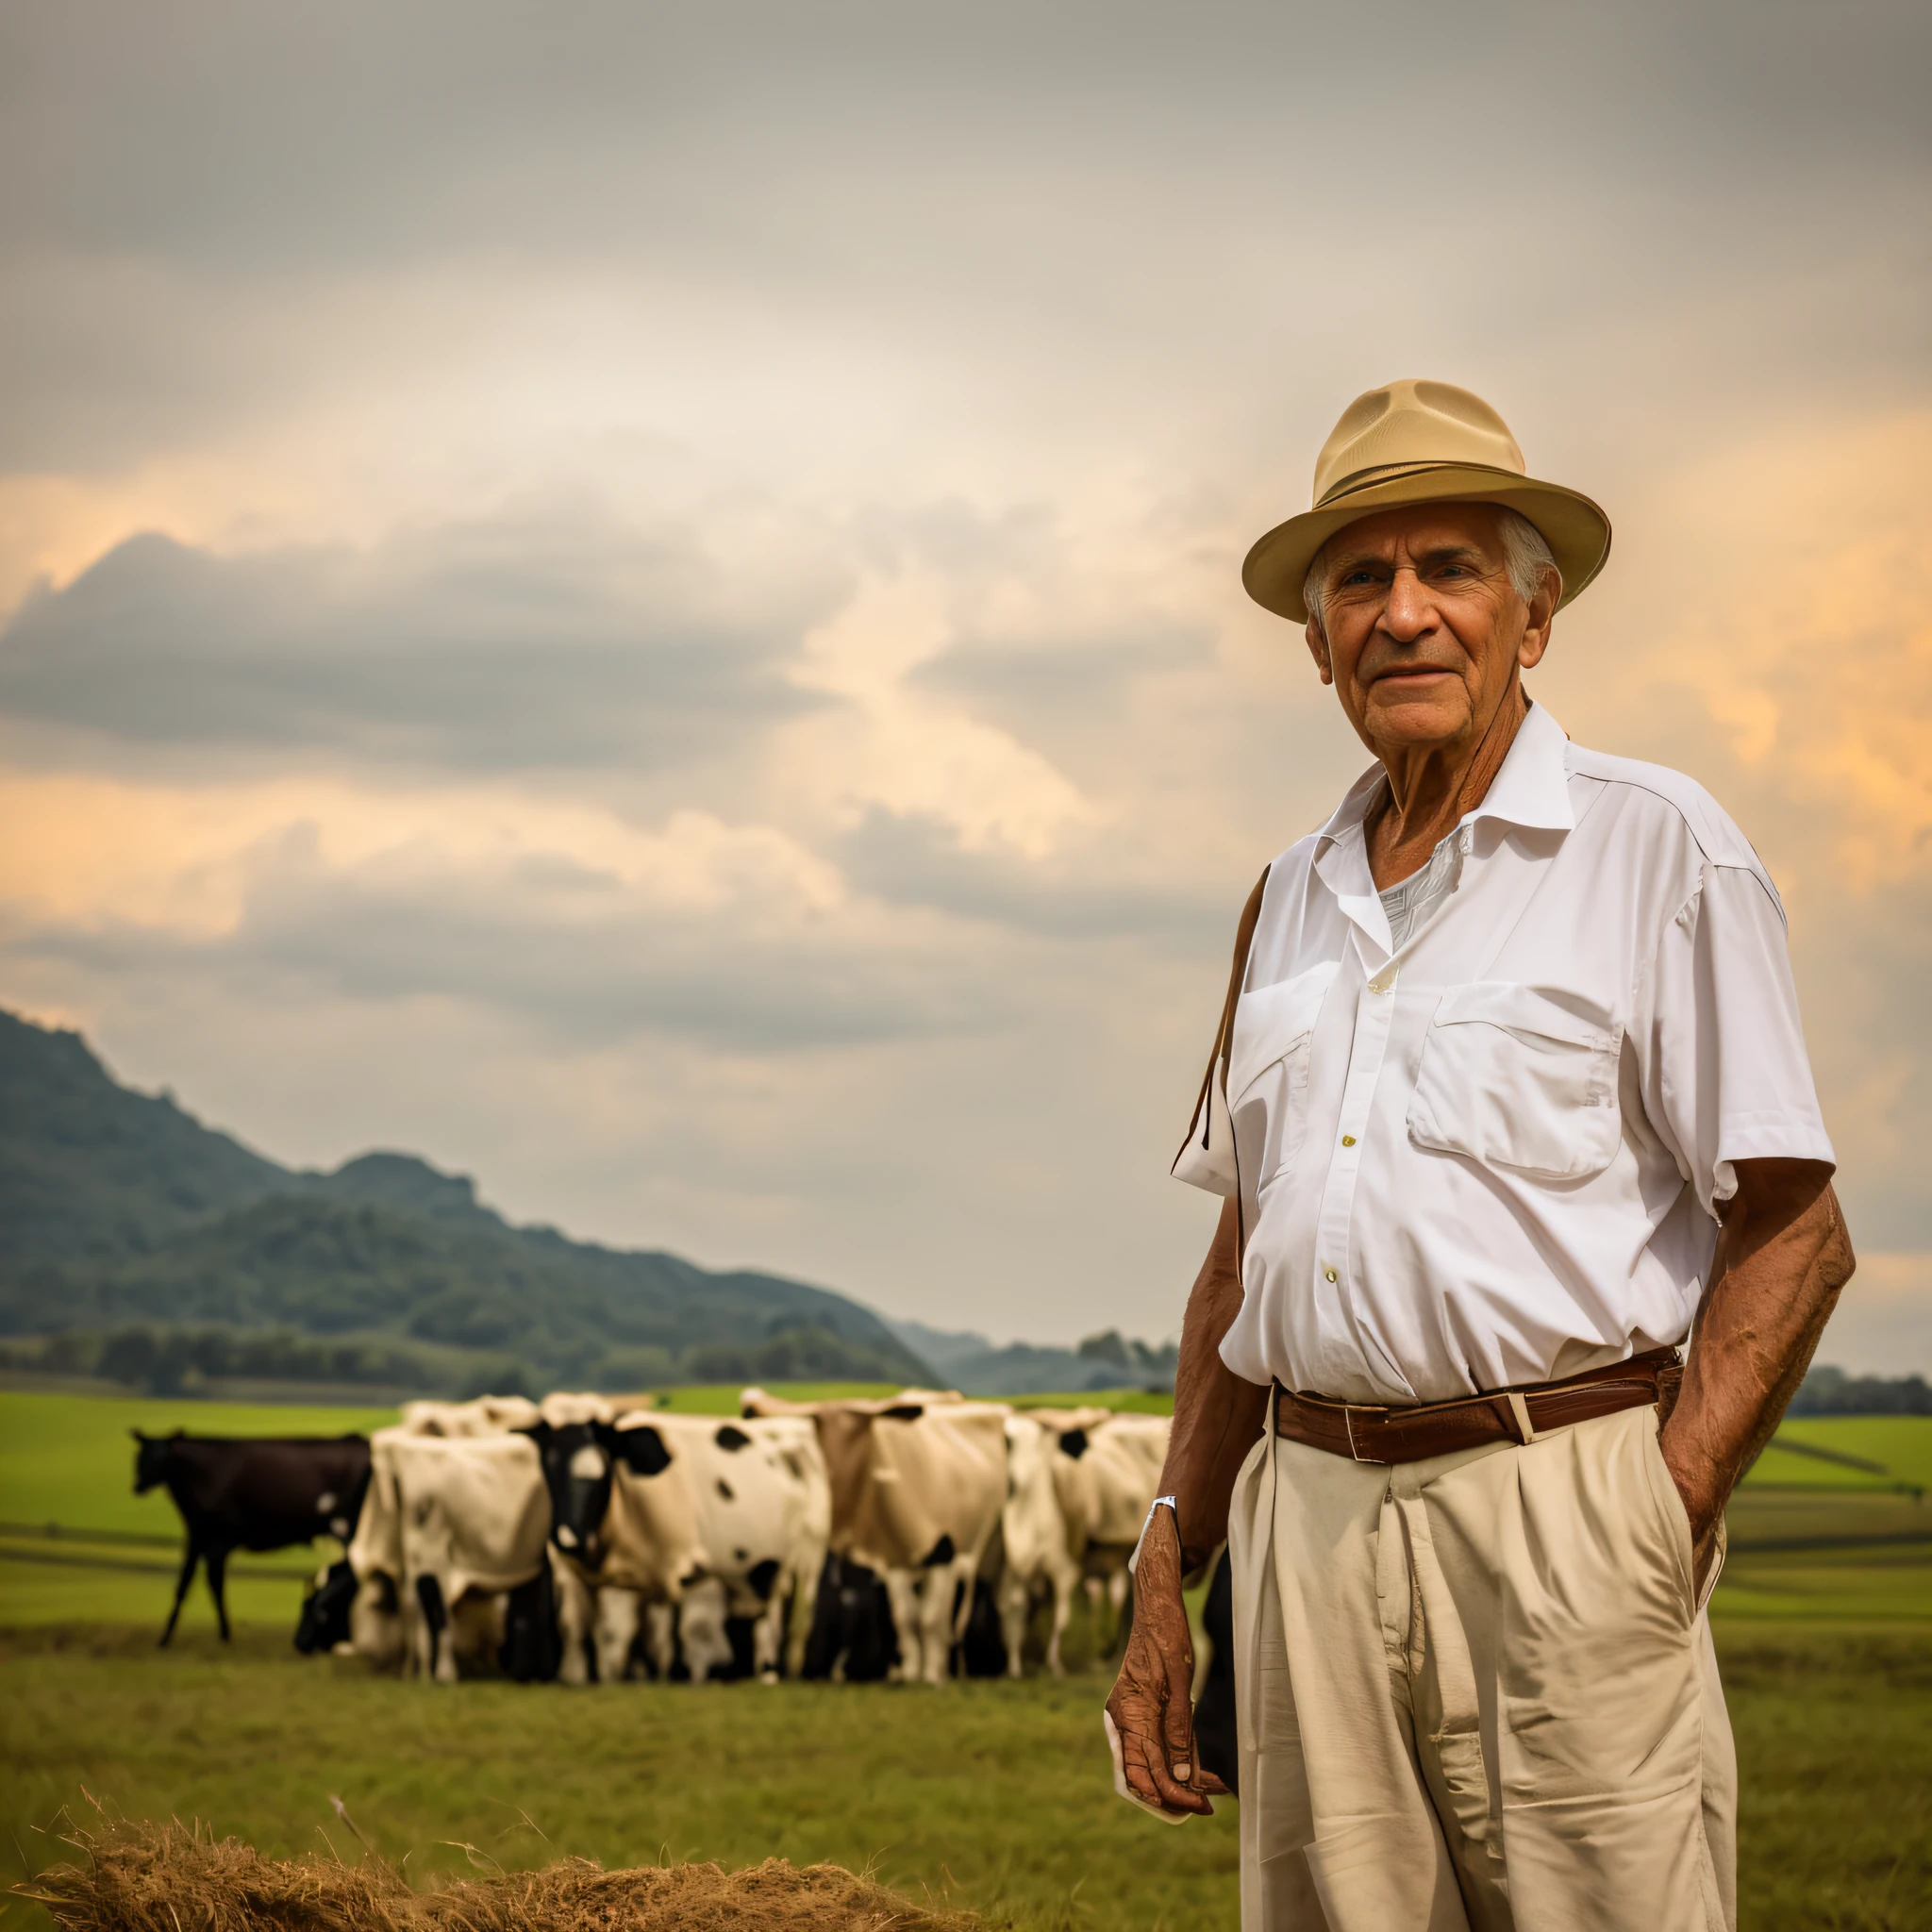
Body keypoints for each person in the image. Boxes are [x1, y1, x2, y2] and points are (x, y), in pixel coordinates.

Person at [1103, 380, 1854, 1932]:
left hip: (1558, 1506)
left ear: (1535, 613)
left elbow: (1793, 1225)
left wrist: (1663, 1509)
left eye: (1449, 570)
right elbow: (1245, 1259)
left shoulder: (1658, 845)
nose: (1404, 614)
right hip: (1304, 1522)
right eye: (1360, 584)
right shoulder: (1288, 895)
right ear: (1316, 645)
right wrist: (1174, 1542)